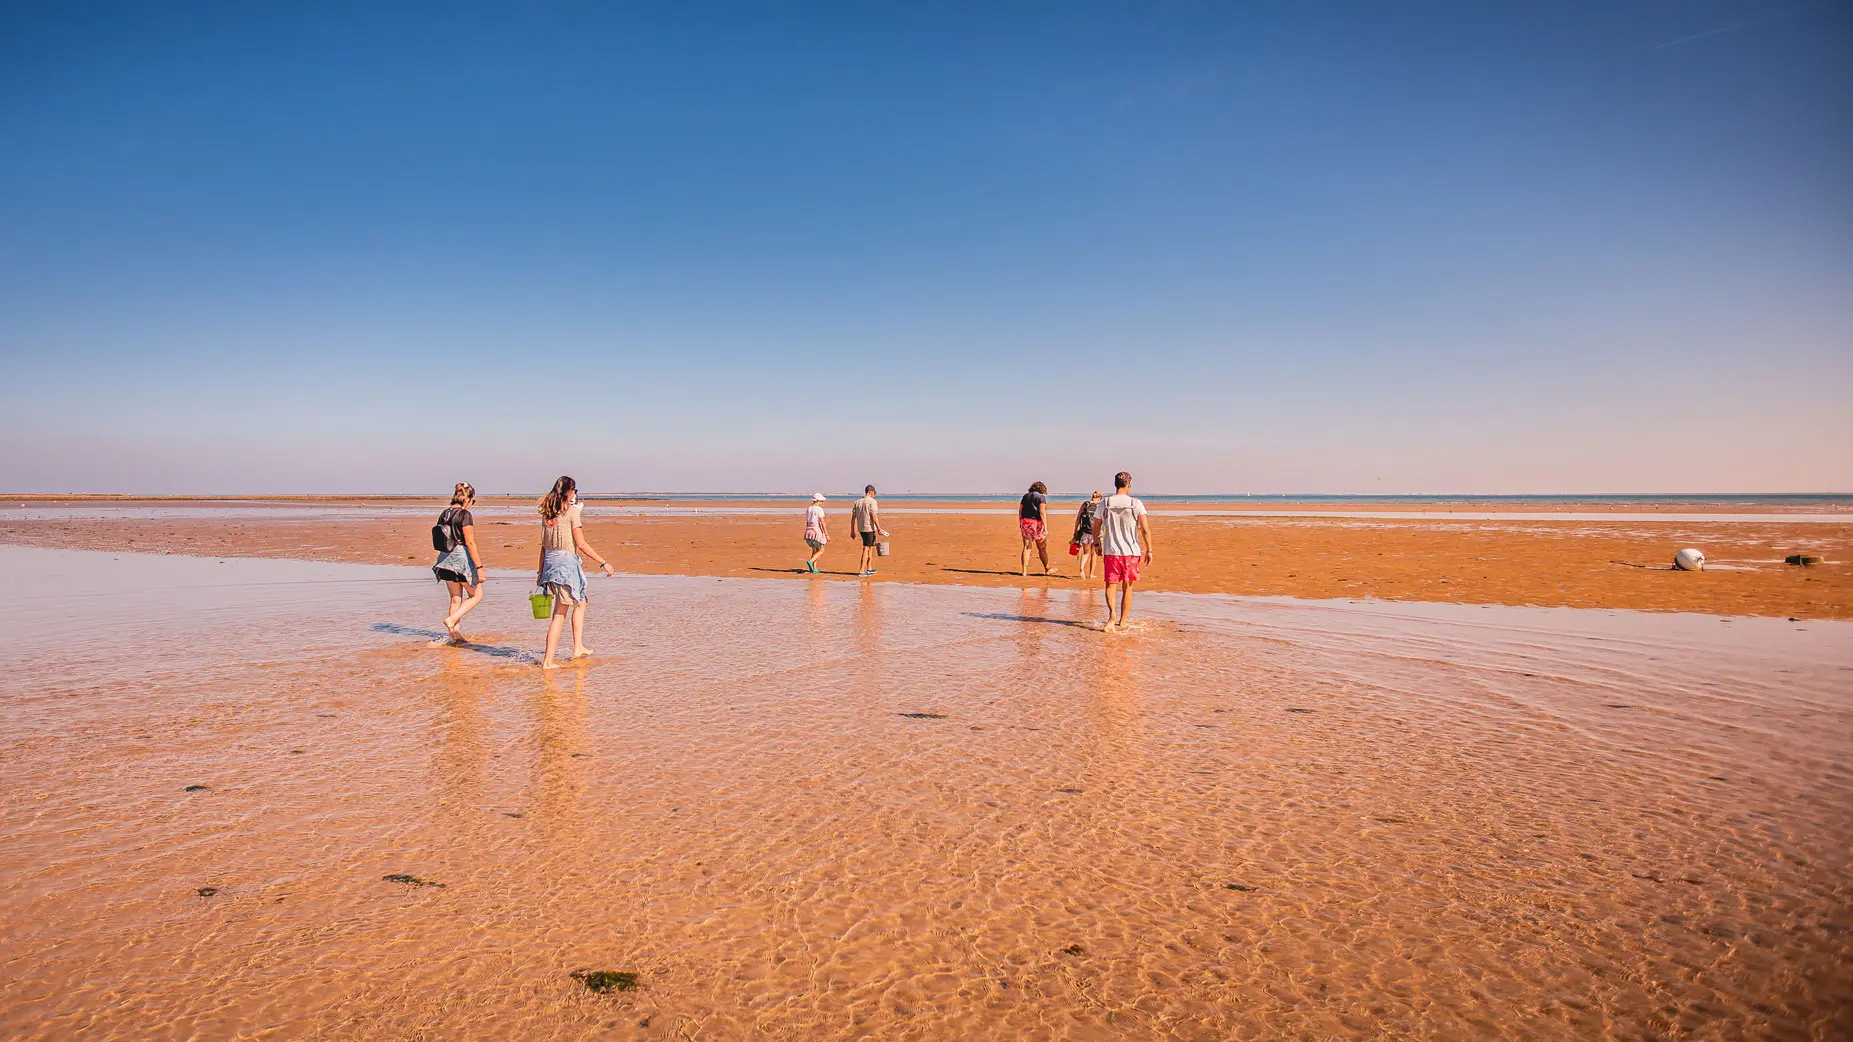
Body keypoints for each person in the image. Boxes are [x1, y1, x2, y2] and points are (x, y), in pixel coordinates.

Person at [534, 475, 616, 669]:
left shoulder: (547, 514)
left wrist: (540, 571)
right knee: (559, 613)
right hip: (565, 564)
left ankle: (578, 646)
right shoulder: (571, 513)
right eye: (575, 491)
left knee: (581, 601)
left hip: (551, 564)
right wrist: (604, 562)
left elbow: (543, 547)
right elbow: (581, 543)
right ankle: (548, 661)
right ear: (569, 492)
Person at [1097, 471, 1153, 634]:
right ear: (1129, 485)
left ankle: (1112, 616)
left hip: (1111, 550)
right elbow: (1145, 528)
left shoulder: (1105, 502)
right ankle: (1123, 621)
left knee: (1110, 585)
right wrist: (1149, 549)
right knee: (1127, 587)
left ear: (1115, 484)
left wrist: (1096, 543)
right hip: (1131, 551)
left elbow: (1096, 526)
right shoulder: (1136, 503)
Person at [431, 482, 486, 644]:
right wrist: (479, 567)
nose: (472, 505)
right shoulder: (464, 515)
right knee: (476, 595)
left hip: (445, 558)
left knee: (456, 598)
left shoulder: (444, 513)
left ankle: (455, 635)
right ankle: (452, 620)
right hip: (461, 558)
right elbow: (470, 542)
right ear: (467, 499)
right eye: (473, 501)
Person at [1019, 480, 1059, 577]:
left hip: (1025, 522)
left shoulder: (1025, 496)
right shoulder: (1041, 497)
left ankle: (1024, 571)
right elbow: (1042, 512)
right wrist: (1045, 526)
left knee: (1027, 547)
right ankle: (1047, 568)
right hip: (1036, 523)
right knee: (1042, 547)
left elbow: (1020, 510)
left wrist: (1020, 522)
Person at [851, 484, 889, 577]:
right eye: (874, 493)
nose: (874, 495)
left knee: (871, 547)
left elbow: (853, 518)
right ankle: (861, 571)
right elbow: (874, 517)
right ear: (870, 492)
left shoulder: (857, 502)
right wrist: (879, 528)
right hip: (869, 528)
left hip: (861, 528)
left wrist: (852, 530)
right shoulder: (872, 502)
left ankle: (869, 568)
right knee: (866, 548)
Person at [1072, 489, 1103, 581]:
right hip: (1096, 533)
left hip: (1085, 532)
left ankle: (1082, 568)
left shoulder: (1085, 504)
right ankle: (1091, 574)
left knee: (1086, 552)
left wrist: (1075, 530)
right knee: (1094, 554)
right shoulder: (1100, 506)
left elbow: (1078, 519)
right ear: (1100, 498)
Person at [803, 492, 829, 573]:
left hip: (809, 530)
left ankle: (814, 568)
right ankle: (811, 561)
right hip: (816, 530)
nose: (822, 503)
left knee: (814, 550)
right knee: (821, 550)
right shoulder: (819, 509)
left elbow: (807, 520)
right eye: (821, 501)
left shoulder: (809, 508)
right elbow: (822, 522)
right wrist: (826, 534)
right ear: (817, 500)